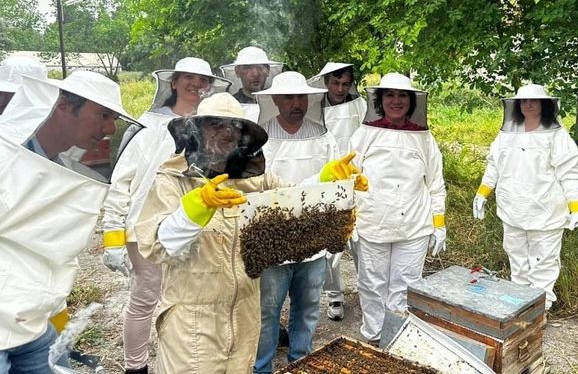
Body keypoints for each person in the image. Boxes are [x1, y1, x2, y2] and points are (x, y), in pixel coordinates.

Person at [133, 92, 360, 373]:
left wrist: (324, 180)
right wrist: (194, 210)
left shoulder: (254, 179)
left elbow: (292, 201)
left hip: (246, 312)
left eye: (234, 127)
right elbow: (158, 246)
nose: (226, 133)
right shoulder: (173, 180)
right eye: (215, 125)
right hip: (193, 321)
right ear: (197, 130)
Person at [0, 70, 141, 374]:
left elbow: (53, 252)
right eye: (103, 115)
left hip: (35, 323)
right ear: (63, 104)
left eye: (114, 118)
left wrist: (57, 317)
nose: (110, 128)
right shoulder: (7, 160)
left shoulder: (58, 166)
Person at [101, 58, 231, 374]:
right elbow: (121, 182)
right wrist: (113, 237)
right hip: (145, 229)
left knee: (184, 304)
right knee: (145, 300)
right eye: (189, 78)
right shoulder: (145, 125)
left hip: (194, 228)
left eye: (203, 80)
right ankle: (136, 367)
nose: (196, 85)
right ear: (173, 82)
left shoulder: (212, 124)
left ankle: (176, 362)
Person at [253, 71, 366, 373]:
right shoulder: (259, 139)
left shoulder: (324, 136)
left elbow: (335, 186)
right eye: (288, 97)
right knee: (267, 313)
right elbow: (258, 189)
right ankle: (261, 367)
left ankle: (300, 363)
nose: (296, 104)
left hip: (313, 239)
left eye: (301, 97)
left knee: (307, 309)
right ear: (274, 100)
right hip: (272, 240)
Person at [349, 72, 446, 346]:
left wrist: (439, 225)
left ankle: (396, 341)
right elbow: (348, 180)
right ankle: (373, 338)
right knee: (372, 285)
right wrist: (349, 222)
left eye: (402, 95)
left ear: (411, 100)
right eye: (389, 95)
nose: (396, 100)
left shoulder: (424, 138)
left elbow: (436, 184)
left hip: (414, 226)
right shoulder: (364, 134)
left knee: (405, 287)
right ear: (380, 100)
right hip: (371, 223)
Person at [472, 84, 578, 311]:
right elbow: (494, 164)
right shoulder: (507, 133)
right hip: (512, 209)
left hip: (546, 212)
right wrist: (482, 193)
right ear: (517, 105)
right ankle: (519, 308)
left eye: (533, 101)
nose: (528, 105)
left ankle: (540, 310)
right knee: (517, 260)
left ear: (545, 105)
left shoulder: (557, 136)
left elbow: (569, 172)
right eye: (523, 101)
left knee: (543, 263)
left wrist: (576, 207)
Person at [308, 63, 367, 321]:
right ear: (326, 83)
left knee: (360, 241)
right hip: (327, 180)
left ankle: (368, 293)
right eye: (335, 83)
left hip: (356, 179)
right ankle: (334, 297)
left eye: (345, 84)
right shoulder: (314, 109)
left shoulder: (361, 105)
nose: (340, 89)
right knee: (331, 245)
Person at [220, 46, 283, 122]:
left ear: (268, 71)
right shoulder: (229, 104)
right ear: (237, 71)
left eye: (260, 67)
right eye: (248, 68)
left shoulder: (278, 102)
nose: (255, 74)